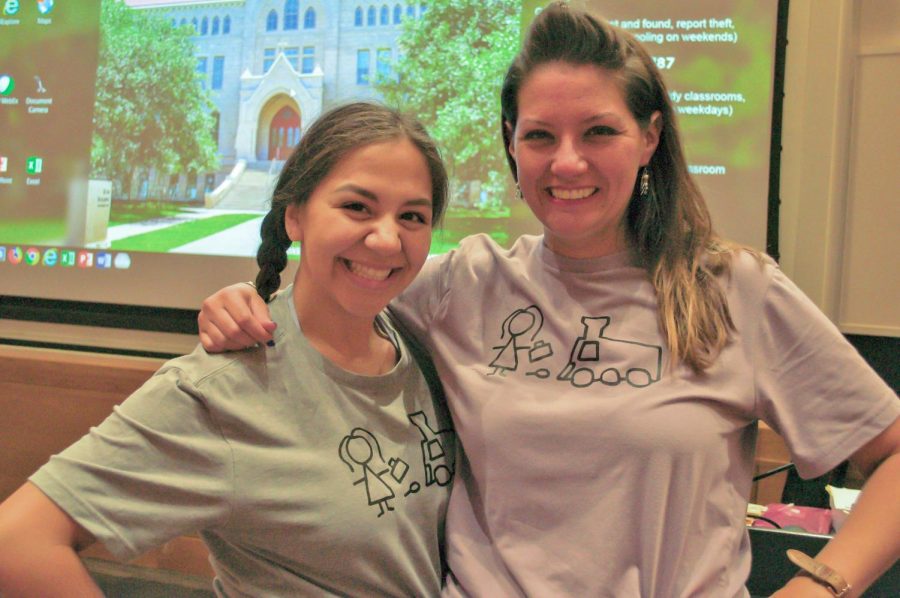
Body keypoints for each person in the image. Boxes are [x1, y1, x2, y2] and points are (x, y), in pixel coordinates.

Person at [196, 4, 899, 597]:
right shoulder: (459, 285)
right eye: (539, 135)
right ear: (511, 145)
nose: (567, 162)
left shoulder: (732, 290)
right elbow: (332, 306)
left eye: (599, 131)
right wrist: (240, 304)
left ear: (649, 137)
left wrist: (820, 586)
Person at [0, 102, 457, 597]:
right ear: (296, 216)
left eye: (412, 215)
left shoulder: (419, 340)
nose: (387, 239)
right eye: (357, 207)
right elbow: (16, 543)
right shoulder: (225, 388)